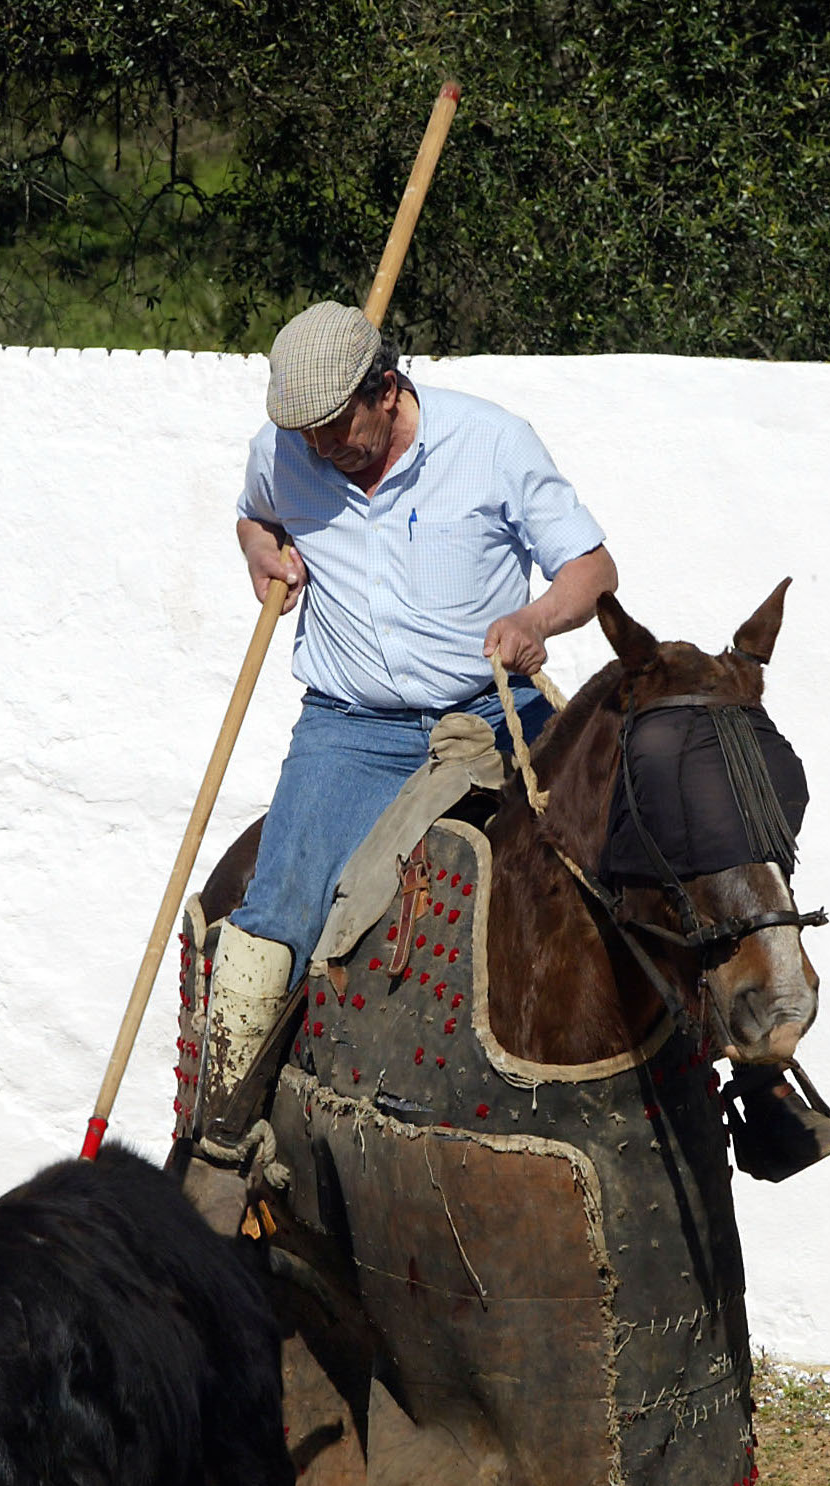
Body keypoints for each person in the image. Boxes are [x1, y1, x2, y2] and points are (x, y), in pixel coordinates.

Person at [197, 299, 618, 1142]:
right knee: (271, 919)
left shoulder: (492, 442)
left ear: (386, 389)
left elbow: (592, 567)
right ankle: (221, 1138)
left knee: (632, 867)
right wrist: (256, 548)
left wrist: (535, 621)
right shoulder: (286, 451)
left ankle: (751, 1081)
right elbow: (255, 509)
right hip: (351, 731)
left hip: (498, 711)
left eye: (331, 426)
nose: (316, 447)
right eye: (302, 432)